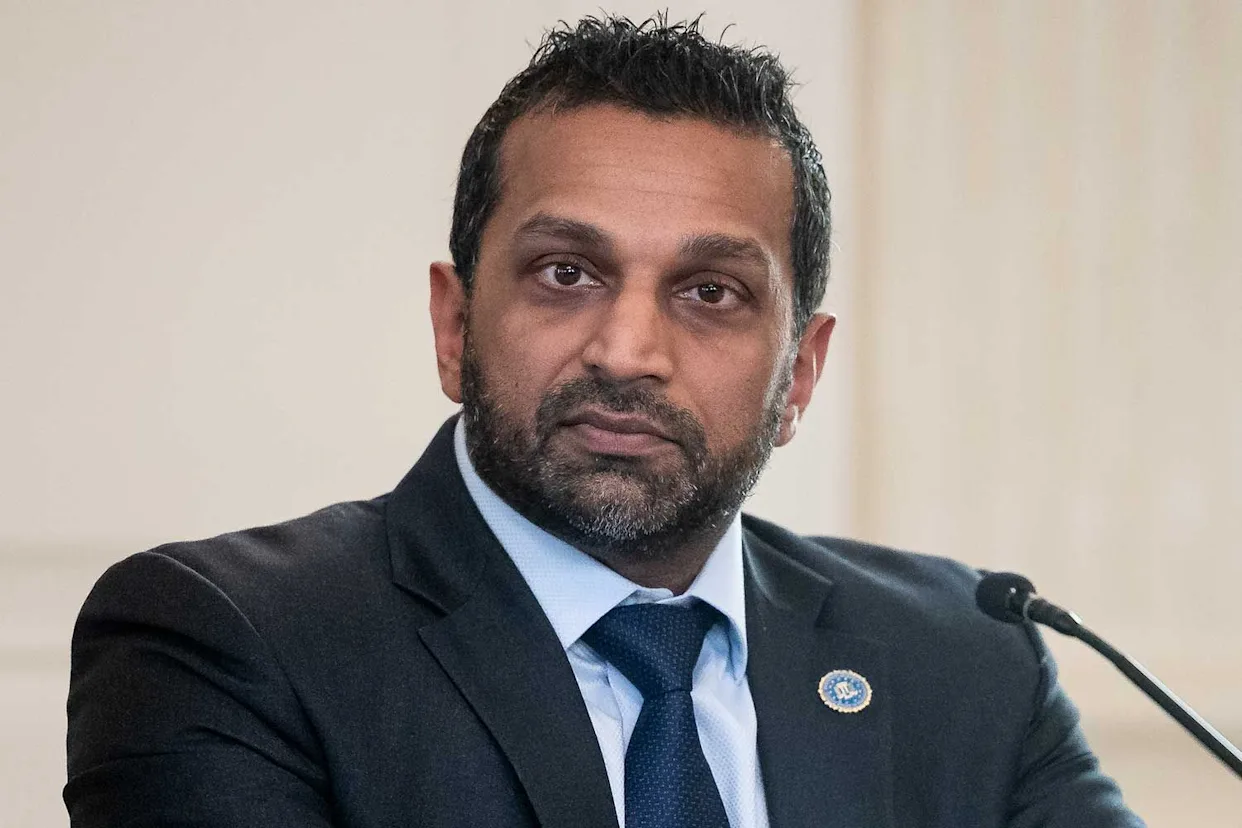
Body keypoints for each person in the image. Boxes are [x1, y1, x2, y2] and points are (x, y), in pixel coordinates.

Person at [64, 15, 1144, 828]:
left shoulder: (968, 657)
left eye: (711, 292)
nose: (627, 351)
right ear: (454, 325)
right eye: (566, 272)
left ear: (800, 374)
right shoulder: (225, 641)